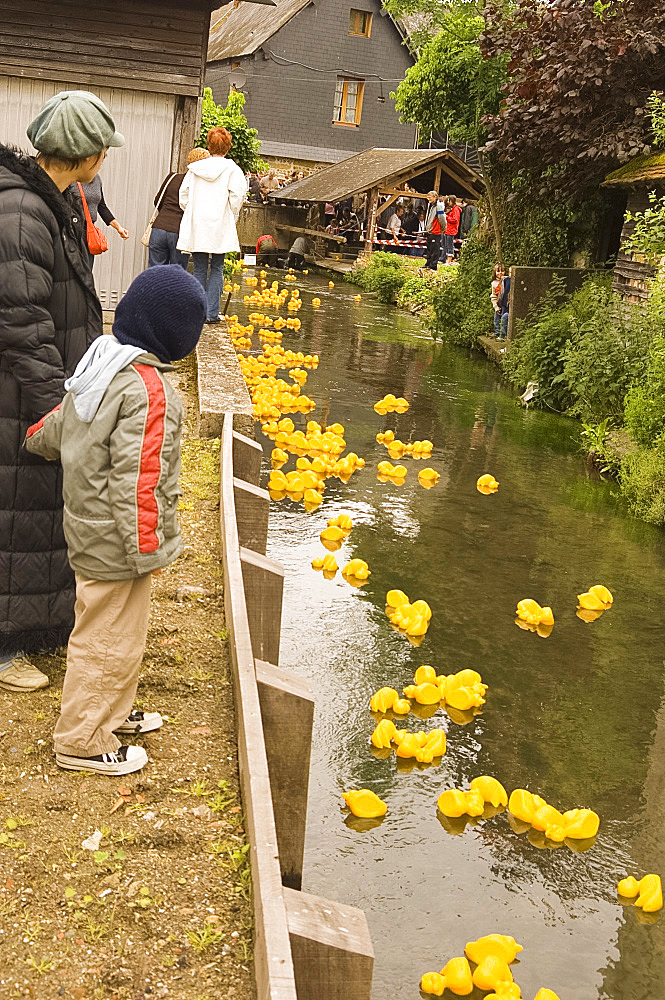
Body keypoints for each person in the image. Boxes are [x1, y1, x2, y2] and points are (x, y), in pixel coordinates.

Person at [25, 266, 207, 775]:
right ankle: (82, 740)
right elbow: (140, 477)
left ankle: (112, 713)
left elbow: (57, 426)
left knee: (116, 631)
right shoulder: (149, 390)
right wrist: (146, 545)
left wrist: (32, 440)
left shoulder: (102, 366)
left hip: (90, 529)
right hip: (119, 542)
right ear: (176, 337)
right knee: (108, 639)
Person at [0, 90, 121, 693]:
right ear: (90, 155)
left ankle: (35, 626)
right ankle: (4, 645)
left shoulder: (53, 204)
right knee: (13, 512)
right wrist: (55, 408)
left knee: (37, 510)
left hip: (47, 387)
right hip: (19, 393)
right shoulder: (23, 211)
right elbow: (22, 321)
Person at [177, 126, 248, 324]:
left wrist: (193, 212)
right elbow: (237, 196)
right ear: (228, 146)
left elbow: (183, 196)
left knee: (199, 268)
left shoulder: (195, 170)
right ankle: (212, 313)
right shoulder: (232, 169)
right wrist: (230, 215)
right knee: (217, 267)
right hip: (219, 224)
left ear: (209, 145)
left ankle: (197, 312)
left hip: (199, 224)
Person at [148, 147, 209, 268]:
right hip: (180, 233)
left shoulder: (173, 177)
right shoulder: (200, 185)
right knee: (177, 275)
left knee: (154, 272)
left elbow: (157, 201)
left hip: (159, 229)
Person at [70, 174, 129, 268]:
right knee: (74, 268)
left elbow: (102, 206)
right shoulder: (71, 178)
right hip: (73, 229)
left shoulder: (97, 179)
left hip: (89, 231)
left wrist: (119, 227)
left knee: (87, 268)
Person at [424, 191, 446, 270]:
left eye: (430, 197)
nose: (428, 198)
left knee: (435, 249)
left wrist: (443, 228)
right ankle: (428, 263)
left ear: (435, 197)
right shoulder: (431, 205)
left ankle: (433, 265)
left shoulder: (438, 206)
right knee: (429, 248)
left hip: (435, 230)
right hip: (430, 231)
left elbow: (442, 218)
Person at [491, 263, 507, 338]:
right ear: (495, 273)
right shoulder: (494, 283)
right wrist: (495, 306)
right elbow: (493, 296)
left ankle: (502, 334)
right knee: (496, 319)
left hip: (505, 304)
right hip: (498, 303)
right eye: (498, 271)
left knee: (504, 318)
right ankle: (496, 332)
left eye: (502, 271)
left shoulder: (507, 281)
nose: (500, 273)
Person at [444, 196, 461, 263]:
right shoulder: (452, 209)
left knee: (449, 244)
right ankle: (447, 258)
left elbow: (455, 219)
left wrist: (447, 217)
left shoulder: (456, 209)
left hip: (451, 230)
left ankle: (449, 259)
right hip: (448, 229)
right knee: (447, 244)